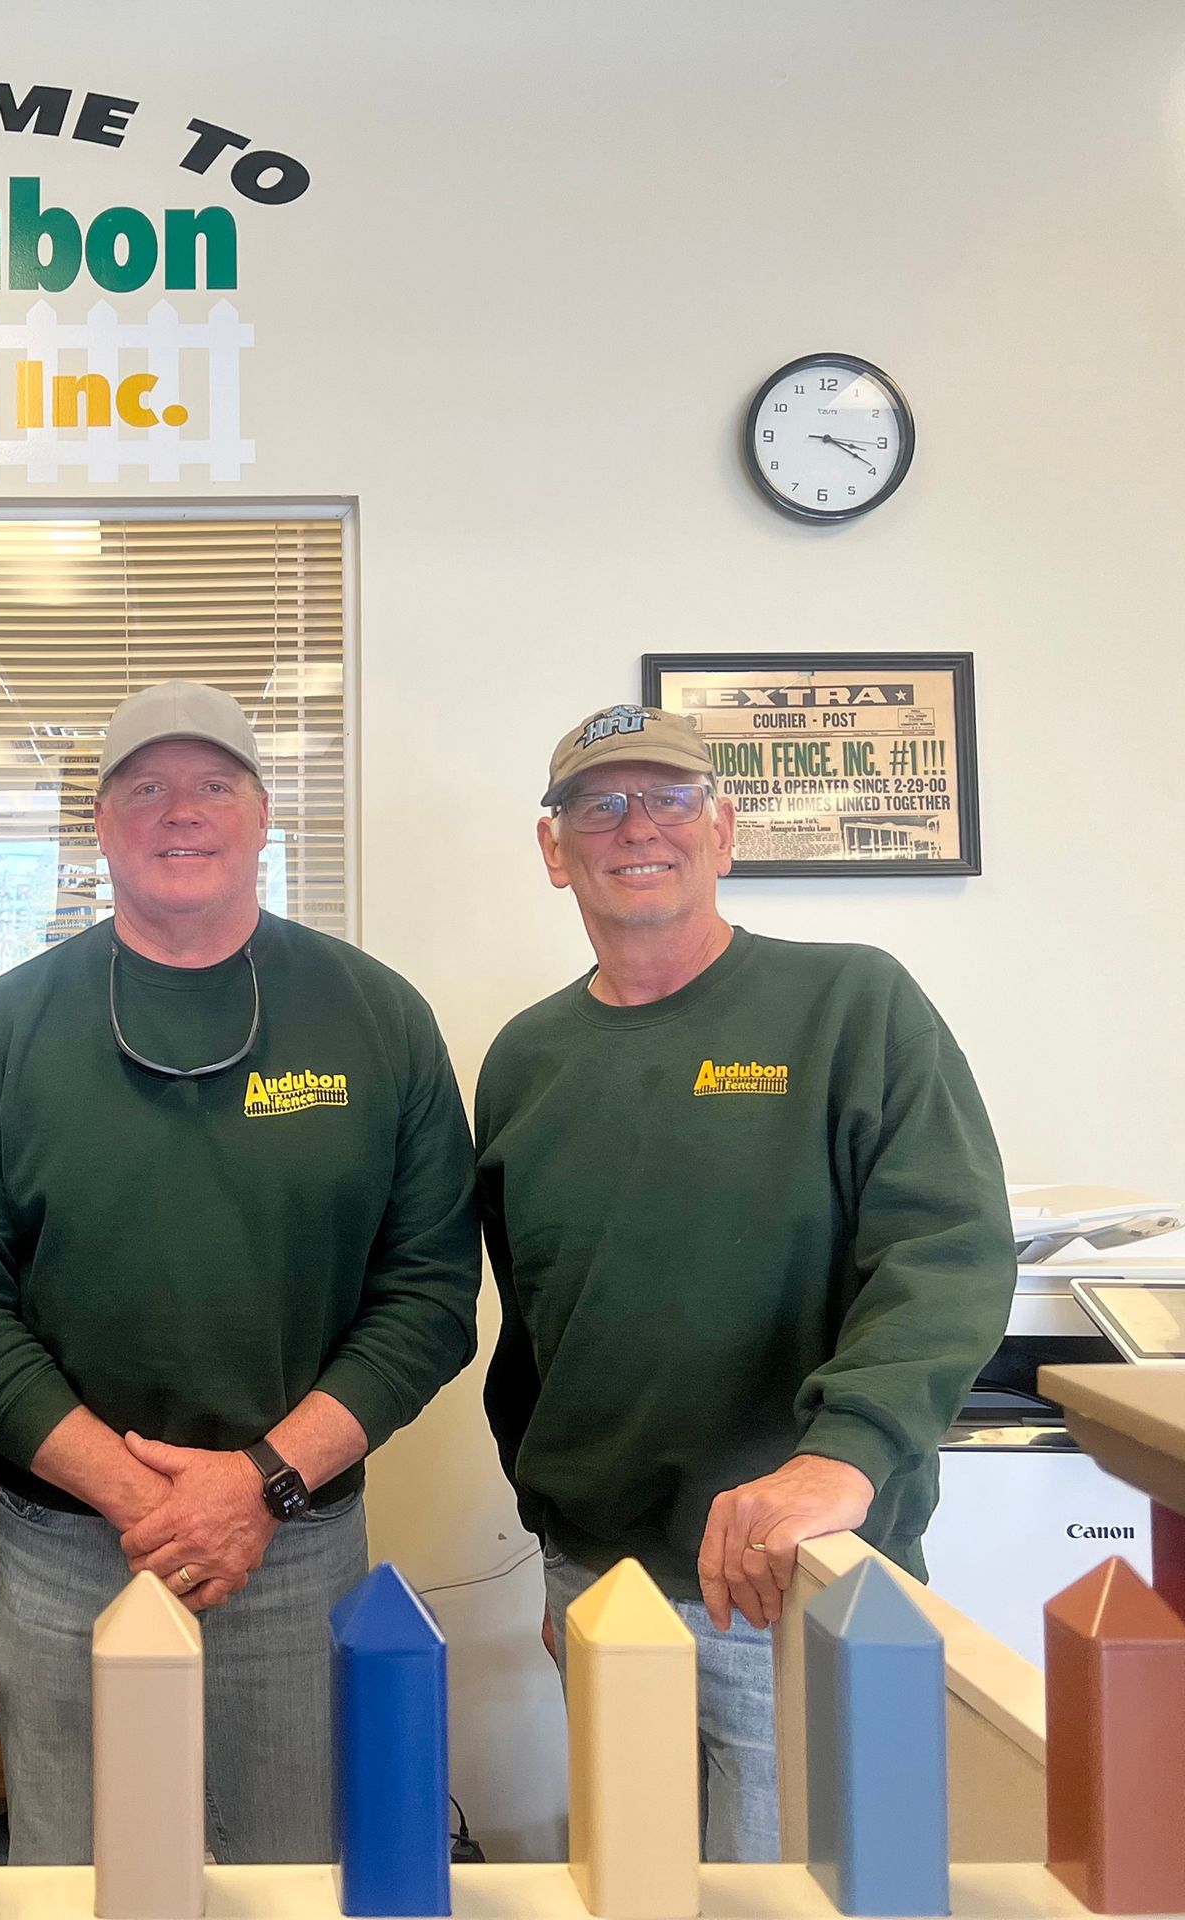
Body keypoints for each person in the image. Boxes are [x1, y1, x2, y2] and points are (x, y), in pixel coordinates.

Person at [0, 681, 480, 1864]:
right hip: (62, 1547)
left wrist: (256, 1486)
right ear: (100, 829)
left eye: (213, 784)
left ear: (263, 819)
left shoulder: (377, 1018)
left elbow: (428, 1298)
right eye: (144, 787)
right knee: (83, 1866)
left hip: (298, 1534)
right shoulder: (4, 1031)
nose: (181, 811)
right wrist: (134, 1493)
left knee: (287, 1865)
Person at [475, 703, 1012, 1862]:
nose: (638, 828)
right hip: (599, 1575)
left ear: (723, 829)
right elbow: (537, 1309)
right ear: (553, 847)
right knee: (634, 1883)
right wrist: (549, 1513)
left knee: (810, 1892)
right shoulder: (524, 1058)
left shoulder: (851, 1005)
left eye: (670, 798)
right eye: (599, 803)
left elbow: (946, 1251)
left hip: (796, 1578)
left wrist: (842, 1456)